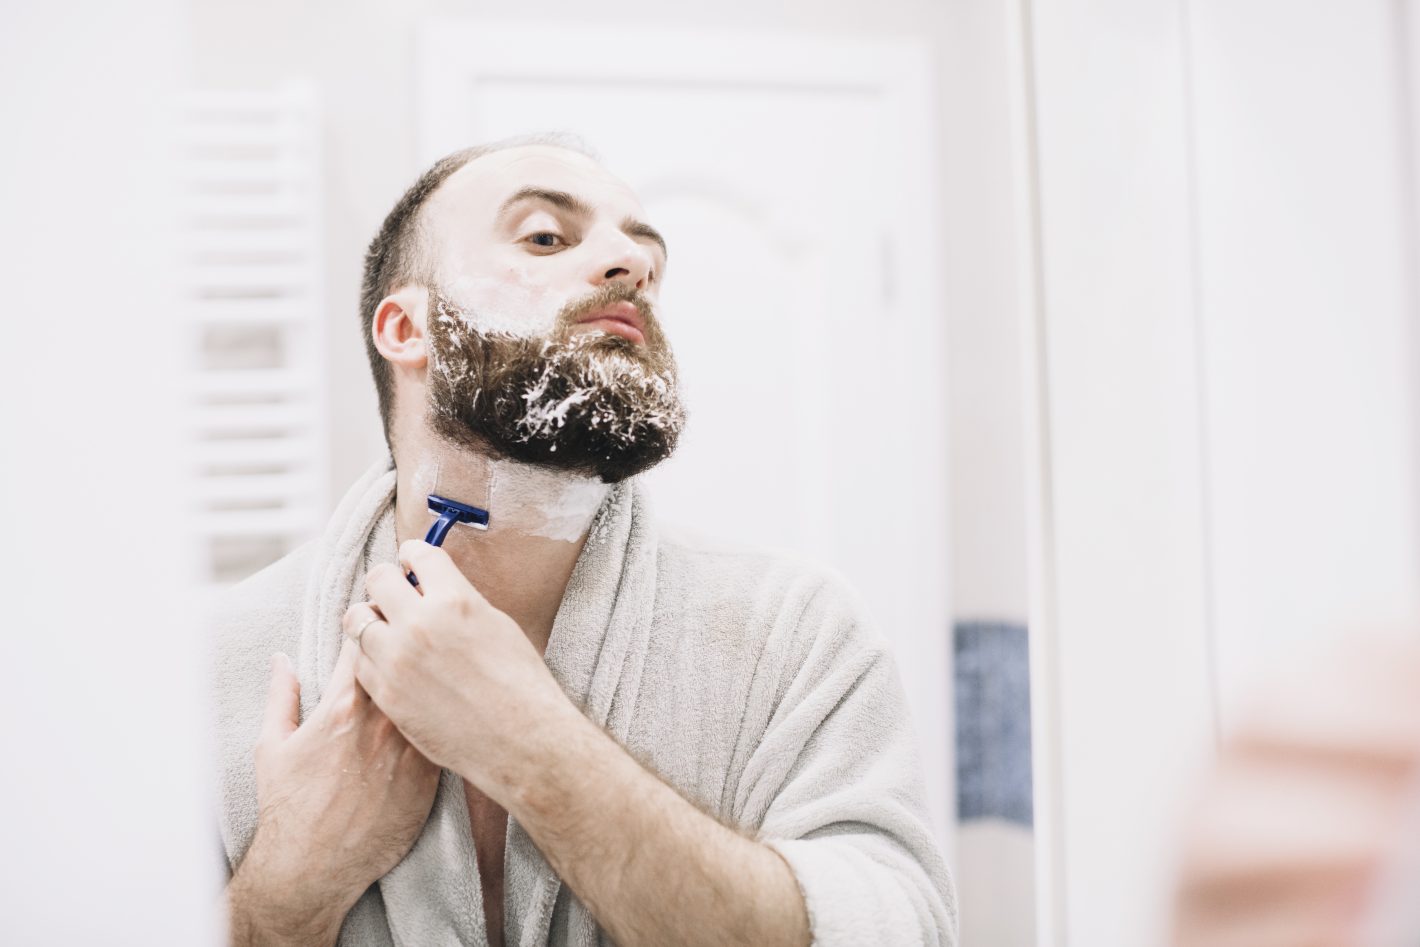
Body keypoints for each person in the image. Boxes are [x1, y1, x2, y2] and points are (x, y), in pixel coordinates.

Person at [212, 134, 958, 947]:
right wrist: (288, 884)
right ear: (406, 327)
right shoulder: (218, 661)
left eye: (647, 257)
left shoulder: (795, 634)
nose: (630, 264)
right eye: (544, 237)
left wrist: (530, 742)